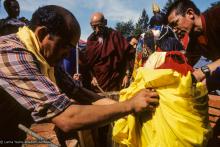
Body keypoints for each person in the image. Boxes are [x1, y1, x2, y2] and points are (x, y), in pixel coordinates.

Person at [0, 5, 159, 146]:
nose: (68, 53)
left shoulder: (46, 60)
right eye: (66, 46)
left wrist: (127, 106)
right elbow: (67, 118)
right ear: (42, 34)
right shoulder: (12, 53)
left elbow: (80, 93)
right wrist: (128, 106)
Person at [166, 0, 220, 87]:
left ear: (190, 14)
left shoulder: (217, 15)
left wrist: (201, 72)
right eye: (172, 27)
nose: (174, 30)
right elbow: (187, 62)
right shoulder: (194, 39)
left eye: (175, 23)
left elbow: (199, 74)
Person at [86, 12, 133, 92]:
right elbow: (88, 63)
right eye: (94, 27)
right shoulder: (91, 40)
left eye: (99, 26)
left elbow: (128, 55)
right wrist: (92, 77)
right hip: (98, 84)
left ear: (105, 22)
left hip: (115, 80)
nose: (97, 30)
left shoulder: (115, 36)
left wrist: (127, 75)